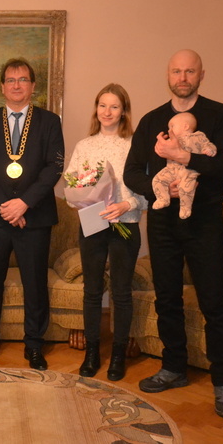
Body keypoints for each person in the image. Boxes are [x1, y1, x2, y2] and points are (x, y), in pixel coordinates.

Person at [123, 49, 223, 418]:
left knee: (213, 302)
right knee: (167, 298)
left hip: (205, 220)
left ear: (201, 75)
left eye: (190, 71)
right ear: (168, 75)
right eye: (177, 71)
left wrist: (186, 158)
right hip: (163, 222)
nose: (183, 77)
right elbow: (132, 172)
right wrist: (160, 188)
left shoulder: (220, 115)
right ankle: (174, 367)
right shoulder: (151, 121)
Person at [0, 58, 64, 370]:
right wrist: (5, 205)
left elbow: (54, 167)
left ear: (33, 86)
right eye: (10, 80)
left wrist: (24, 203)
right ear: (2, 86)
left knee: (35, 284)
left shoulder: (49, 122)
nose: (16, 85)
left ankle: (34, 345)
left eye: (23, 79)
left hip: (34, 217)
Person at [64, 83, 147, 380]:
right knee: (91, 290)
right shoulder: (84, 146)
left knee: (121, 292)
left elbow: (150, 191)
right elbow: (71, 187)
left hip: (125, 224)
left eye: (114, 106)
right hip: (93, 223)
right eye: (102, 105)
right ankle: (92, 353)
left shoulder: (135, 146)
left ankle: (118, 355)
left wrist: (126, 204)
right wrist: (83, 199)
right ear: (96, 109)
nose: (107, 112)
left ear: (124, 111)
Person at [151, 112, 217, 219]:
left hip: (188, 170)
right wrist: (161, 144)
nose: (169, 130)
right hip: (171, 169)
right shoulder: (172, 140)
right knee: (157, 179)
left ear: (185, 126)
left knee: (186, 188)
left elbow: (208, 145)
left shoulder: (198, 137)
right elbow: (162, 150)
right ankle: (163, 199)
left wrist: (210, 150)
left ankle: (185, 208)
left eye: (172, 127)